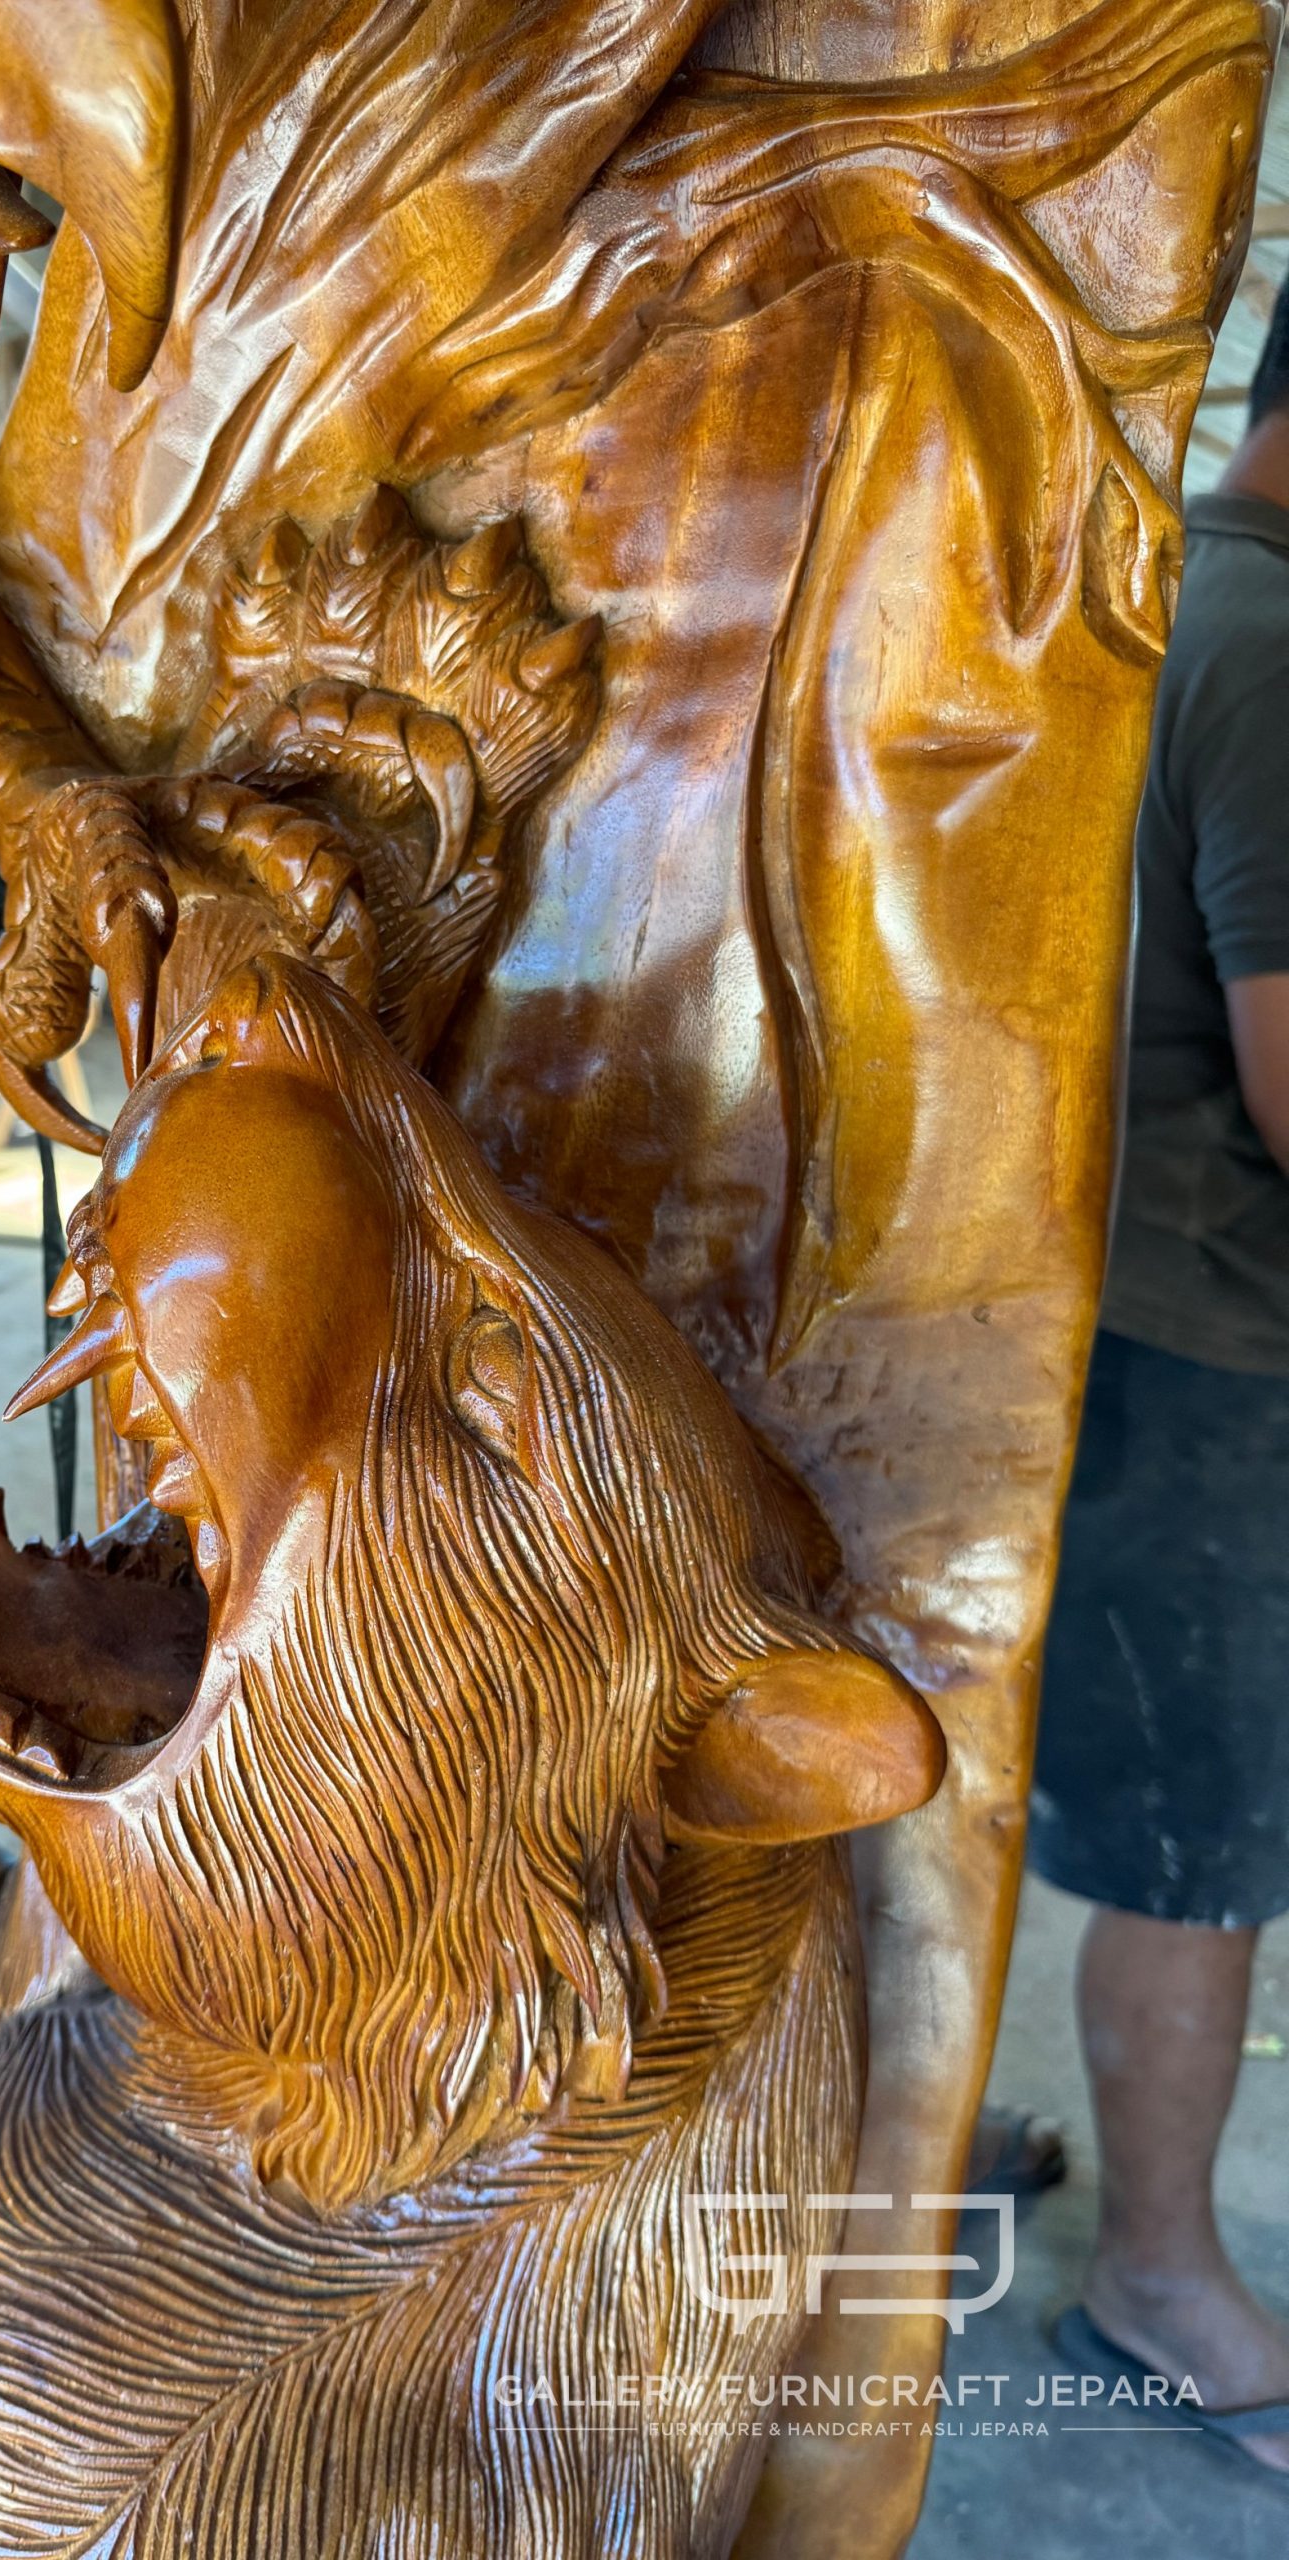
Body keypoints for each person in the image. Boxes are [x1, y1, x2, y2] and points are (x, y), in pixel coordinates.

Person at [1028, 272, 1289, 2477]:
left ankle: (909, 2140)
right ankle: (1157, 2272)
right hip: (1215, 1329)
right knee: (1201, 1839)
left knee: (1066, 1788)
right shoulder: (1276, 654)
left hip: (1111, 1296)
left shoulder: (1166, 595)